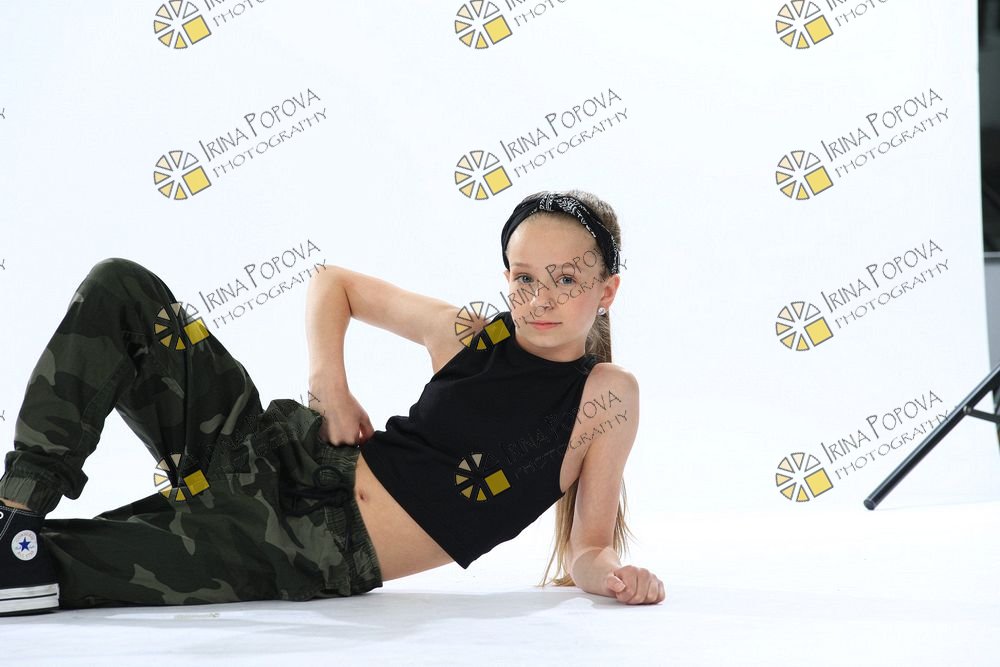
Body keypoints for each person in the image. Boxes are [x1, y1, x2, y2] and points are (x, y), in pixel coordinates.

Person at [0, 190, 665, 615]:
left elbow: (589, 547)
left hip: (301, 546)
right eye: (524, 277)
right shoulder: (469, 334)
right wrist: (330, 386)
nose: (541, 298)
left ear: (606, 291)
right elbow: (331, 283)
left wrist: (617, 577)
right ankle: (16, 506)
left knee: (47, 568)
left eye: (566, 279)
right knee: (120, 286)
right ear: (506, 277)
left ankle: (19, 545)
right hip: (265, 446)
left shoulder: (606, 394)